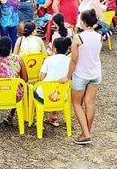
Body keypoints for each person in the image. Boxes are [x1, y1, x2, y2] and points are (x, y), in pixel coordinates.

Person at [60, 9, 102, 145]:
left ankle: (86, 134)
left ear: (83, 22)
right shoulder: (99, 36)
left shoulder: (79, 38)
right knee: (90, 103)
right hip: (95, 72)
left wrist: (67, 76)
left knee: (77, 103)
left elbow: (74, 59)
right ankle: (86, 132)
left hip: (81, 74)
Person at [0, 36, 28, 127]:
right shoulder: (18, 59)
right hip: (14, 96)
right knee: (18, 87)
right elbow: (25, 79)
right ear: (10, 47)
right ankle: (11, 114)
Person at [36, 36, 71, 127]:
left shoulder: (49, 60)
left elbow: (41, 78)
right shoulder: (70, 61)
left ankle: (36, 118)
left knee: (36, 91)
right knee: (57, 87)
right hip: (61, 96)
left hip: (45, 95)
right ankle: (54, 114)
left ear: (54, 49)